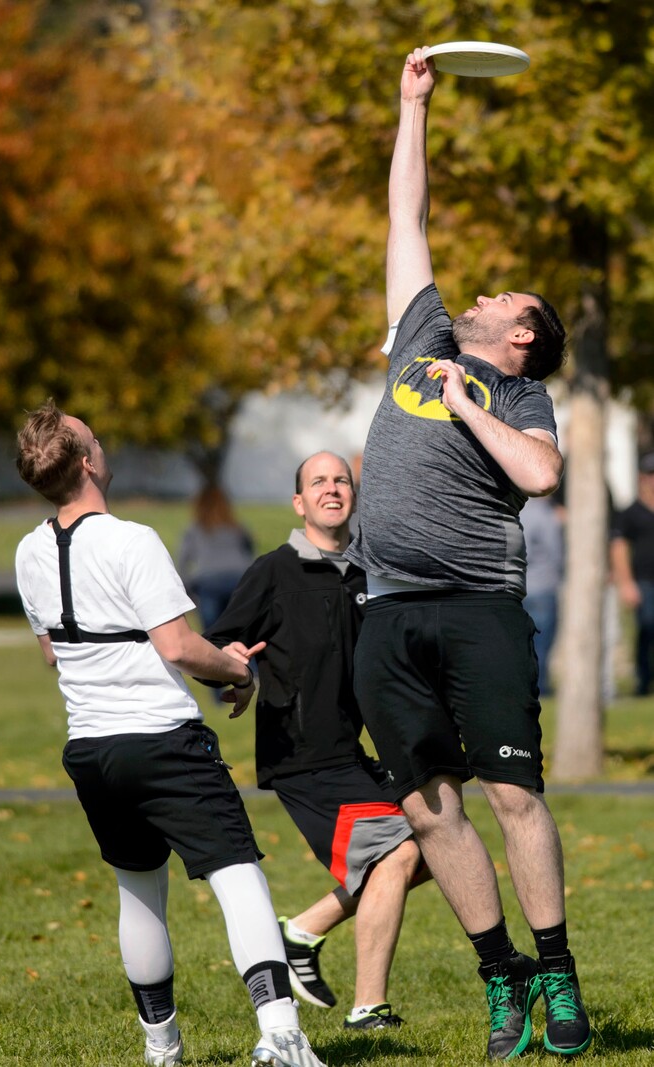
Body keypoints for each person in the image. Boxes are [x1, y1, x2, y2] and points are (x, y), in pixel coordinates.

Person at [345, 50, 591, 1060]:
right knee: (426, 803)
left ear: (522, 333)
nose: (477, 293)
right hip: (385, 606)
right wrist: (413, 108)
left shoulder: (519, 396)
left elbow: (538, 477)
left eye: (501, 296)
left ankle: (557, 968)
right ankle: (500, 978)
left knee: (511, 794)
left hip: (477, 605)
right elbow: (405, 218)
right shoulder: (420, 336)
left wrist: (460, 403)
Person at [14, 400, 327, 1067]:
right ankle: (283, 1036)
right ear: (89, 460)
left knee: (138, 888)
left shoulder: (28, 550)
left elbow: (51, 653)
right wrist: (237, 667)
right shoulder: (131, 539)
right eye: (94, 436)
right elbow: (181, 647)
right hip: (163, 739)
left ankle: (162, 1046)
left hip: (92, 751)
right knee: (239, 874)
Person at [204, 451, 428, 1030]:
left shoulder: (366, 571)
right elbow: (221, 643)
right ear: (299, 502)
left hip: (352, 752)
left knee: (433, 846)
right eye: (318, 482)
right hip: (302, 756)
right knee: (398, 852)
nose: (333, 488)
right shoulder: (275, 570)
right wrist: (234, 672)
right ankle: (368, 1007)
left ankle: (301, 932)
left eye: (342, 480)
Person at [177, 485, 254, 631]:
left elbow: (182, 562)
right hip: (239, 579)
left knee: (213, 634)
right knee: (242, 633)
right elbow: (249, 553)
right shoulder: (238, 527)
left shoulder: (194, 529)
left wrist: (187, 590)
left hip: (209, 582)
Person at [611, 451, 654, 696]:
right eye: (650, 475)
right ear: (642, 478)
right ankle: (643, 682)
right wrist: (626, 583)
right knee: (646, 629)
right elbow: (618, 547)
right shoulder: (630, 512)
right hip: (643, 581)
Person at [521, 495, 565, 696]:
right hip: (544, 588)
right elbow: (556, 553)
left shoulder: (517, 510)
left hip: (520, 587)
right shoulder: (545, 514)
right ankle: (540, 688)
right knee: (542, 645)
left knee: (521, 644)